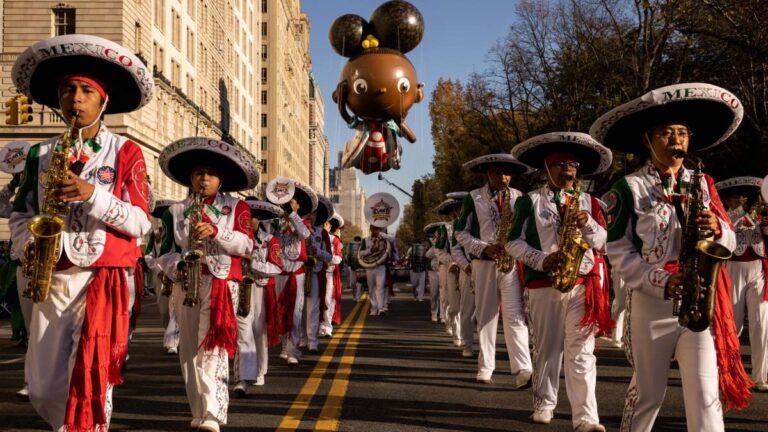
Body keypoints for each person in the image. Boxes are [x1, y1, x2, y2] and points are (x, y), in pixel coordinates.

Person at [8, 34, 154, 431]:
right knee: (43, 390)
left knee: (91, 381)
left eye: (86, 91)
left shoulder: (126, 152)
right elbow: (21, 213)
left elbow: (140, 222)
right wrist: (27, 245)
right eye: (68, 90)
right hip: (52, 276)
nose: (76, 99)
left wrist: (94, 196)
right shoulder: (40, 154)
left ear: (103, 101)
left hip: (101, 277)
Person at [592, 82, 753, 432]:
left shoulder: (704, 183)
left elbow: (731, 241)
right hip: (651, 305)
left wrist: (717, 228)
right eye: (666, 133)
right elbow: (618, 251)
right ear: (648, 140)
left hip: (698, 299)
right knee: (649, 395)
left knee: (706, 395)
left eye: (682, 133)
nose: (676, 140)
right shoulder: (627, 188)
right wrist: (662, 281)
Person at [508, 132, 614, 430]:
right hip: (544, 284)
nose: (569, 171)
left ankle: (586, 417)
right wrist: (542, 259)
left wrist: (588, 223)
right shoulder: (530, 202)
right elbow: (512, 243)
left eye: (573, 166)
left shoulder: (590, 202)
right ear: (547, 168)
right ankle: (544, 403)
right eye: (561, 165)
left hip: (582, 283)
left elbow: (606, 243)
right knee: (548, 348)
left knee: (582, 352)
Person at [156, 137, 258, 432]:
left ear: (220, 179)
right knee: (189, 350)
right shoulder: (175, 211)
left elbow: (246, 245)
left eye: (211, 174)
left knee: (212, 348)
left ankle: (213, 413)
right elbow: (163, 253)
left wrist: (215, 232)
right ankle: (199, 411)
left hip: (221, 283)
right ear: (191, 177)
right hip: (186, 282)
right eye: (199, 173)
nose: (204, 179)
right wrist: (176, 266)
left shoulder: (237, 207)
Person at [454, 153, 533, 386]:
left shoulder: (519, 197)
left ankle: (523, 368)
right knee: (487, 315)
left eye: (507, 173)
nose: (504, 178)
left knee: (515, 315)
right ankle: (485, 367)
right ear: (489, 173)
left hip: (510, 262)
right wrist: (483, 248)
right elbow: (460, 232)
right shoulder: (474, 197)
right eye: (499, 173)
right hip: (484, 263)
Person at [715, 176, 768, 392]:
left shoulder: (758, 215)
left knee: (761, 324)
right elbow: (725, 228)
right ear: (728, 200)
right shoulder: (724, 215)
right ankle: (727, 373)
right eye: (736, 197)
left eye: (743, 197)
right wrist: (742, 211)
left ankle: (760, 377)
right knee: (733, 324)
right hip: (733, 269)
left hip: (758, 269)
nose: (741, 200)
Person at [234, 198, 284, 396]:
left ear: (259, 218)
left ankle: (260, 370)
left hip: (261, 289)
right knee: (243, 331)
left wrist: (253, 263)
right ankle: (243, 376)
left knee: (258, 331)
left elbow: (277, 267)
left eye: (252, 217)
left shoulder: (271, 240)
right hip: (239, 287)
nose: (248, 221)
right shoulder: (236, 237)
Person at [267, 179, 315, 366]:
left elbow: (305, 234)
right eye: (286, 202)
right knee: (280, 311)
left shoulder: (303, 222)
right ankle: (284, 346)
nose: (288, 204)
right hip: (278, 272)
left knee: (295, 313)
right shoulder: (275, 222)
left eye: (291, 202)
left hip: (296, 274)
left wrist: (293, 215)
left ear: (298, 205)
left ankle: (293, 350)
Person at [144, 199, 180, 355]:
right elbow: (148, 255)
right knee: (164, 310)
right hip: (159, 275)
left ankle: (173, 341)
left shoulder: (178, 233)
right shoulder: (155, 234)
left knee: (175, 306)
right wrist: (158, 270)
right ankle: (169, 333)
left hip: (175, 273)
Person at [303, 196, 334, 352]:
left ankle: (312, 341)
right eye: (309, 212)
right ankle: (300, 338)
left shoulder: (322, 233)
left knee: (313, 308)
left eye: (314, 212)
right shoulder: (296, 229)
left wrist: (318, 252)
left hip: (314, 273)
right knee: (299, 309)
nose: (311, 215)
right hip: (298, 272)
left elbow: (329, 256)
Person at [436, 194, 467, 346]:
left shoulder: (473, 224)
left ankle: (467, 337)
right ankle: (457, 333)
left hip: (471, 268)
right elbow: (439, 251)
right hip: (453, 269)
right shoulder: (445, 228)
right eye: (455, 210)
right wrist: (452, 262)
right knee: (454, 304)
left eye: (460, 209)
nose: (457, 213)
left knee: (470, 305)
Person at [360, 224, 395, 315]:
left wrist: (382, 234)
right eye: (374, 228)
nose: (375, 230)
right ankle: (374, 308)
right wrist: (370, 251)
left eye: (377, 228)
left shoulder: (384, 239)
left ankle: (380, 308)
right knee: (371, 288)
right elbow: (360, 253)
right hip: (369, 266)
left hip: (380, 266)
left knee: (380, 287)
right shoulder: (365, 240)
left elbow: (393, 239)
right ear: (370, 229)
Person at [321, 213, 345, 337]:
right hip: (315, 273)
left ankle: (327, 326)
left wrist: (326, 259)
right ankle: (318, 326)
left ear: (330, 226)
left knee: (328, 299)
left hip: (329, 273)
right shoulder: (315, 236)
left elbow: (338, 258)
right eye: (323, 223)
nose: (325, 225)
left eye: (327, 223)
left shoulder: (334, 240)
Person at [424, 223, 443, 322]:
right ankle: (434, 313)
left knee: (443, 294)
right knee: (434, 293)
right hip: (433, 270)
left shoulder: (445, 240)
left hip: (443, 269)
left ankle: (443, 316)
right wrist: (435, 246)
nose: (438, 233)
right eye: (436, 232)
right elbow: (427, 255)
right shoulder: (430, 242)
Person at [345, 235, 365, 302]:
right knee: (357, 283)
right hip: (358, 267)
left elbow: (348, 256)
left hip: (355, 267)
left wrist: (348, 264)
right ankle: (357, 297)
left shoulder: (351, 246)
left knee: (356, 283)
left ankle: (356, 296)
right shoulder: (362, 245)